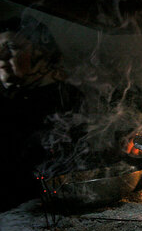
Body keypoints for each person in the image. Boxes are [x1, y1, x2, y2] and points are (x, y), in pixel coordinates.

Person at [0, 16, 83, 212]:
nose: (1, 57)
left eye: (11, 48)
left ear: (43, 53)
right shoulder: (9, 101)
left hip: (39, 207)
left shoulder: (64, 98)